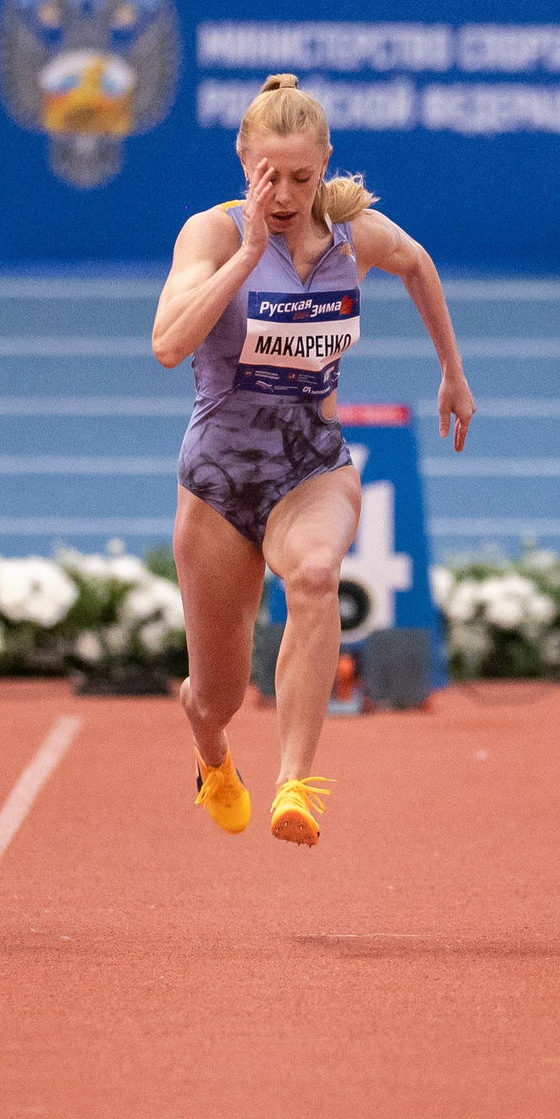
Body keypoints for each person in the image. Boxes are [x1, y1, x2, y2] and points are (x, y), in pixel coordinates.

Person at [152, 75, 474, 846]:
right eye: (272, 177)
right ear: (243, 160)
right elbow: (167, 344)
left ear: (326, 161)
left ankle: (296, 781)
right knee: (217, 695)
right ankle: (213, 758)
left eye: (303, 177)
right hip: (220, 484)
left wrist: (452, 373)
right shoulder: (213, 234)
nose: (288, 194)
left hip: (310, 466)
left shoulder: (350, 234)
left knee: (317, 573)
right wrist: (250, 254)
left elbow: (419, 263)